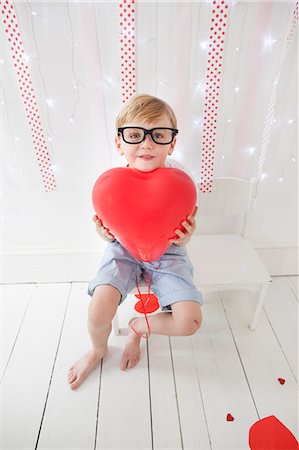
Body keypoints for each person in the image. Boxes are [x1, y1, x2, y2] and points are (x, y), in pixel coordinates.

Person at [68, 94, 203, 390]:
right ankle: (98, 350)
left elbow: (186, 218)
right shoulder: (111, 181)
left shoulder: (180, 178)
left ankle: (138, 327)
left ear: (172, 143)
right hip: (124, 250)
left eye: (158, 135)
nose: (147, 143)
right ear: (119, 143)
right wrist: (104, 234)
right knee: (98, 307)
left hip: (168, 252)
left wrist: (187, 236)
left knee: (189, 321)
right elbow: (109, 226)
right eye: (134, 135)